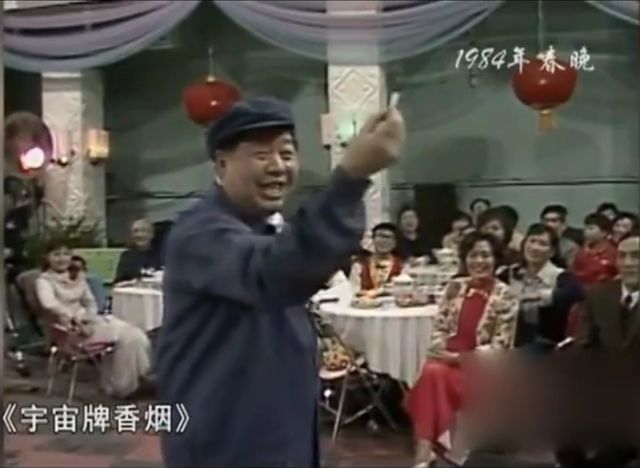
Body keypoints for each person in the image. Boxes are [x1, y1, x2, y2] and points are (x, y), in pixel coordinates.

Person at [156, 96, 406, 467]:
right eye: (261, 155)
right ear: (221, 164)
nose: (278, 167)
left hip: (278, 430)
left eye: (286, 154)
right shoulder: (202, 232)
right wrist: (351, 176)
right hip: (225, 440)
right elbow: (270, 271)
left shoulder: (264, 227)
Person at [405, 232, 519, 467]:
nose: (479, 261)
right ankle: (427, 450)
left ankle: (424, 450)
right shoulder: (454, 287)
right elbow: (439, 328)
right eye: (473, 255)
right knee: (433, 372)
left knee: (431, 375)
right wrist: (440, 349)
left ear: (496, 260)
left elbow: (501, 347)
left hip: (482, 370)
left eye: (485, 255)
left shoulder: (506, 295)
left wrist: (460, 358)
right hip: (444, 361)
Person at [555, 234, 640, 468]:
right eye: (623, 256)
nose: (629, 263)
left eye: (637, 256)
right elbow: (584, 345)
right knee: (567, 439)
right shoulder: (598, 295)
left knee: (611, 452)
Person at [36, 241, 152, 398]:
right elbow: (49, 304)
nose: (62, 259)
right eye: (56, 255)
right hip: (68, 330)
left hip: (89, 321)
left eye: (65, 254)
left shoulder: (78, 277)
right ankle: (124, 387)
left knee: (136, 335)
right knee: (128, 337)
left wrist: (89, 316)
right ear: (47, 257)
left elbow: (91, 302)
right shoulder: (44, 281)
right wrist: (75, 318)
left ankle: (133, 381)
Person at [503, 223, 584, 354]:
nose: (535, 248)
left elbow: (577, 293)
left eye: (542, 244)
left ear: (552, 252)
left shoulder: (560, 276)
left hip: (544, 342)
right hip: (508, 335)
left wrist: (535, 296)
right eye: (532, 241)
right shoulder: (510, 272)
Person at [349, 222, 405, 292]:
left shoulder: (402, 266)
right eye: (380, 236)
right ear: (373, 239)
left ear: (395, 242)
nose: (383, 241)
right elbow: (353, 291)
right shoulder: (359, 265)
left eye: (388, 237)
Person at [572, 213, 618, 288]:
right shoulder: (580, 252)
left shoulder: (614, 253)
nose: (586, 231)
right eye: (585, 228)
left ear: (604, 232)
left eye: (591, 228)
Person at [114, 218, 161, 283]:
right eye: (135, 231)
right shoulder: (126, 256)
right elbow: (119, 282)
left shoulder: (163, 255)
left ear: (152, 234)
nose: (139, 235)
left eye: (143, 231)